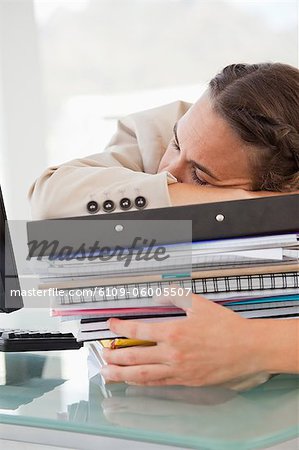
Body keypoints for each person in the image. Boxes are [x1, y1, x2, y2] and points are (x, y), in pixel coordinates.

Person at [29, 62, 299, 389]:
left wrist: (259, 347)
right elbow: (51, 197)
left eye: (200, 176)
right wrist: (223, 199)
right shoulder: (174, 127)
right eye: (175, 143)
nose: (167, 170)